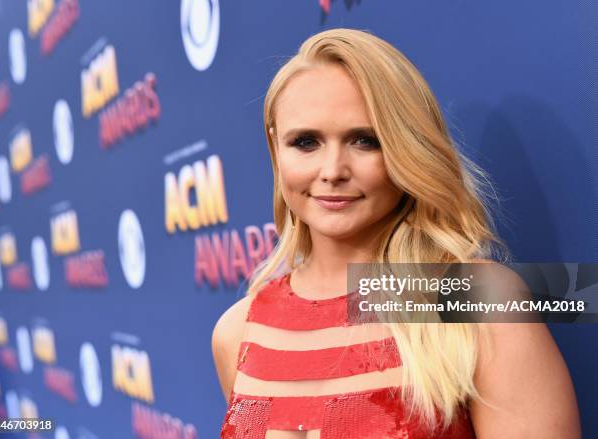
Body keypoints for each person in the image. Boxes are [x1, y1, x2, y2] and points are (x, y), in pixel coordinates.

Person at [212, 28, 581, 438]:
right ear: (275, 148)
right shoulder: (239, 330)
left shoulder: (477, 298)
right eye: (306, 142)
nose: (333, 170)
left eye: (365, 141)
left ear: (407, 149)